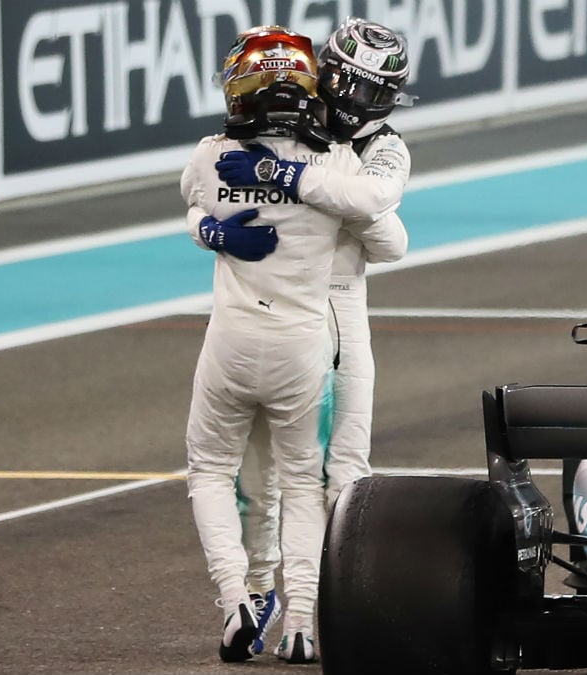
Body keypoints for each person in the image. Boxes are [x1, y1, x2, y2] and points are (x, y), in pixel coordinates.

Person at [181, 25, 405, 665]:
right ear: (320, 75)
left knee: (326, 474)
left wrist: (274, 184)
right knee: (293, 480)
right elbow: (387, 240)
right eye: (346, 80)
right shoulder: (332, 160)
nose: (354, 97)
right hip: (310, 333)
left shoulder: (219, 151)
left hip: (290, 327)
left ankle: (254, 600)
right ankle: (291, 611)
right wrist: (312, 202)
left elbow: (194, 207)